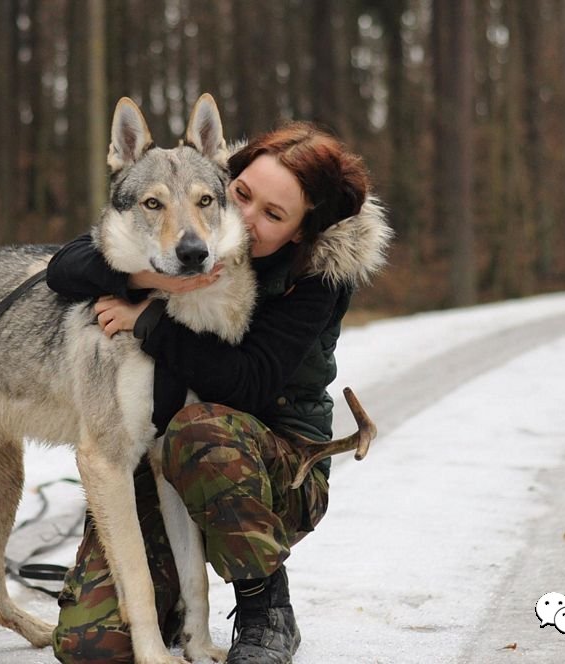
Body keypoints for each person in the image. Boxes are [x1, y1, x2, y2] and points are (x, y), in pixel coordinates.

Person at [46, 121, 392, 664]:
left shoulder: (318, 277)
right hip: (173, 460)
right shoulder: (197, 206)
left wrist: (149, 324)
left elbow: (245, 383)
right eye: (242, 195)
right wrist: (144, 281)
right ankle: (171, 605)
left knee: (201, 430)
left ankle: (265, 605)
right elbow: (67, 267)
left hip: (274, 465)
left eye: (274, 215)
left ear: (304, 230)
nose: (246, 220)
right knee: (92, 645)